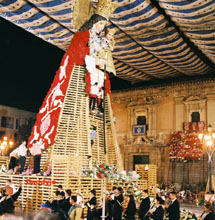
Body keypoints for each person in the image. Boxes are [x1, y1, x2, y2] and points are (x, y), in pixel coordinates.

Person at [27, 0, 117, 149]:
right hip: (80, 71)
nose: (102, 28)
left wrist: (106, 48)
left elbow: (104, 50)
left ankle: (97, 104)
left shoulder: (99, 39)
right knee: (93, 82)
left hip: (97, 70)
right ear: (94, 22)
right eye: (101, 24)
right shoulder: (82, 36)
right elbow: (78, 53)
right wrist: (95, 61)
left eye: (104, 25)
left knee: (100, 81)